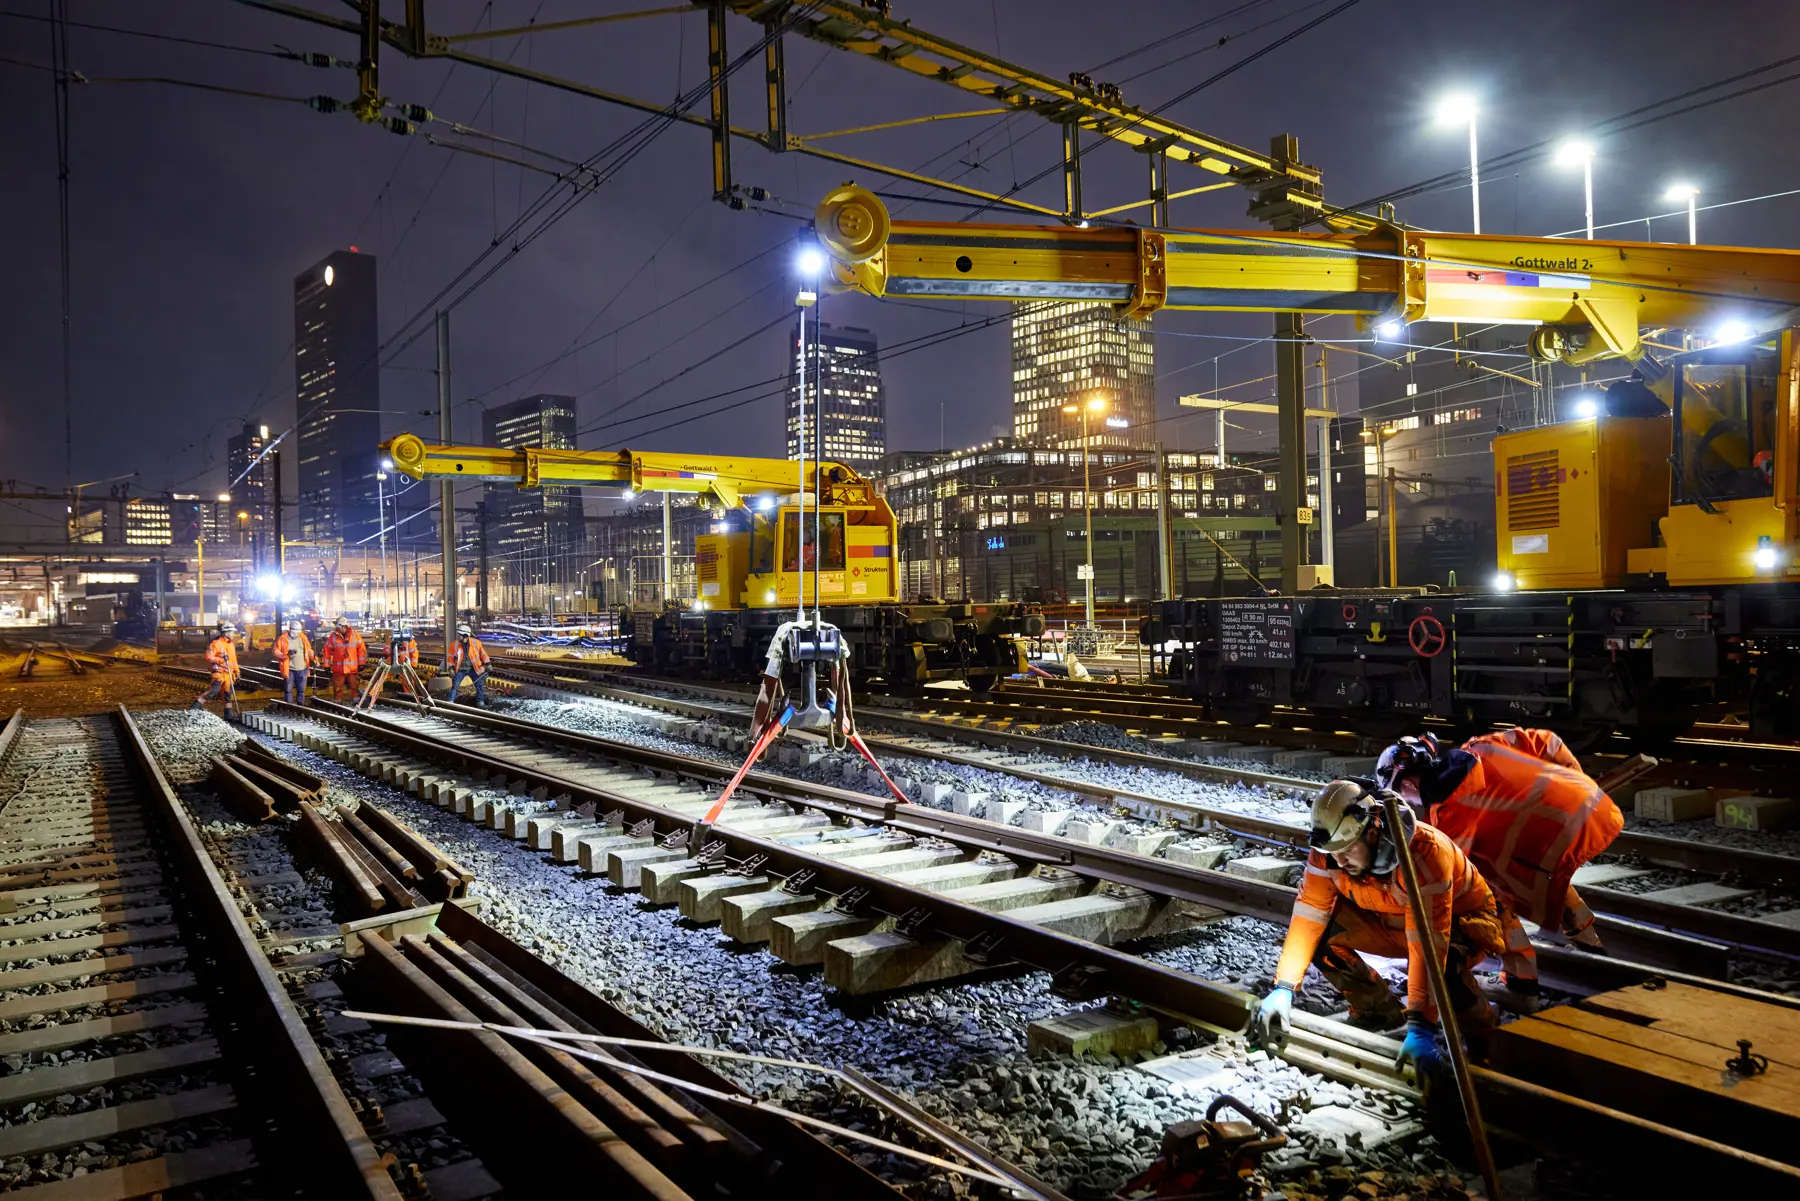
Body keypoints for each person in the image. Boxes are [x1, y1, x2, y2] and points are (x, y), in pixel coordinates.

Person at [1250, 780, 1504, 1079]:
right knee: (1321, 937)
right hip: (1393, 923)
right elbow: (1308, 914)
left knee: (1446, 968)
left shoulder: (1424, 854)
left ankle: (1485, 1042)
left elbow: (1430, 944)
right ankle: (1379, 1012)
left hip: (1462, 927)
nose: (1339, 860)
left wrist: (1420, 1025)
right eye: (1334, 852)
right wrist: (1284, 987)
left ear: (1372, 832)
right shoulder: (1330, 851)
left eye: (1346, 850)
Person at [1376, 729, 1623, 998]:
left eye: (1402, 795)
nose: (1408, 802)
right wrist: (1578, 784)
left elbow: (1450, 894)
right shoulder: (1482, 746)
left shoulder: (1450, 820)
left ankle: (1520, 982)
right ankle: (1590, 945)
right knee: (1530, 872)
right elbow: (1549, 742)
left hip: (1554, 843)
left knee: (1491, 897)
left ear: (1409, 785)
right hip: (1598, 812)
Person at [192, 622, 241, 717]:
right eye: (232, 632)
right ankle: (196, 705)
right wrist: (221, 660)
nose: (234, 634)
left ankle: (228, 715)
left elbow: (234, 660)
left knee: (227, 695)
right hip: (218, 672)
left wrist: (237, 672)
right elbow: (208, 657)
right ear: (226, 633)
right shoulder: (215, 644)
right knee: (214, 691)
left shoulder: (231, 645)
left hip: (229, 674)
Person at [372, 628, 423, 704]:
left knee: (381, 677)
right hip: (403, 663)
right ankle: (410, 697)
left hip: (395, 661)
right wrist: (412, 665)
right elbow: (414, 653)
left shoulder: (392, 639)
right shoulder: (409, 640)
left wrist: (412, 665)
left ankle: (372, 694)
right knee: (407, 682)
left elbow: (386, 651)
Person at [322, 617, 368, 702]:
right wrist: (326, 666)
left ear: (344, 626)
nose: (336, 628)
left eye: (338, 626)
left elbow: (361, 649)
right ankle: (338, 703)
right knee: (337, 688)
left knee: (354, 686)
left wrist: (361, 663)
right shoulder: (333, 636)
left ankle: (356, 701)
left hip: (352, 668)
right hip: (339, 669)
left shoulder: (354, 635)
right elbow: (327, 651)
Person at [447, 623, 490, 705]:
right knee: (455, 686)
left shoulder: (476, 643)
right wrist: (451, 669)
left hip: (473, 669)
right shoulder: (454, 644)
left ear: (465, 635)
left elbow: (483, 654)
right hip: (461, 669)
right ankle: (450, 702)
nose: (458, 636)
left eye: (460, 634)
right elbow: (450, 658)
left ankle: (480, 703)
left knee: (479, 685)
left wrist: (488, 663)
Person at [273, 620, 313, 705]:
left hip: (302, 668)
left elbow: (309, 650)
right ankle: (289, 706)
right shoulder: (282, 639)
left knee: (301, 689)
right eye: (295, 631)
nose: (296, 633)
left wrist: (314, 658)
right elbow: (276, 651)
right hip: (289, 669)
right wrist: (286, 656)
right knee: (288, 689)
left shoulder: (303, 638)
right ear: (290, 629)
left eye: (298, 631)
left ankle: (300, 705)